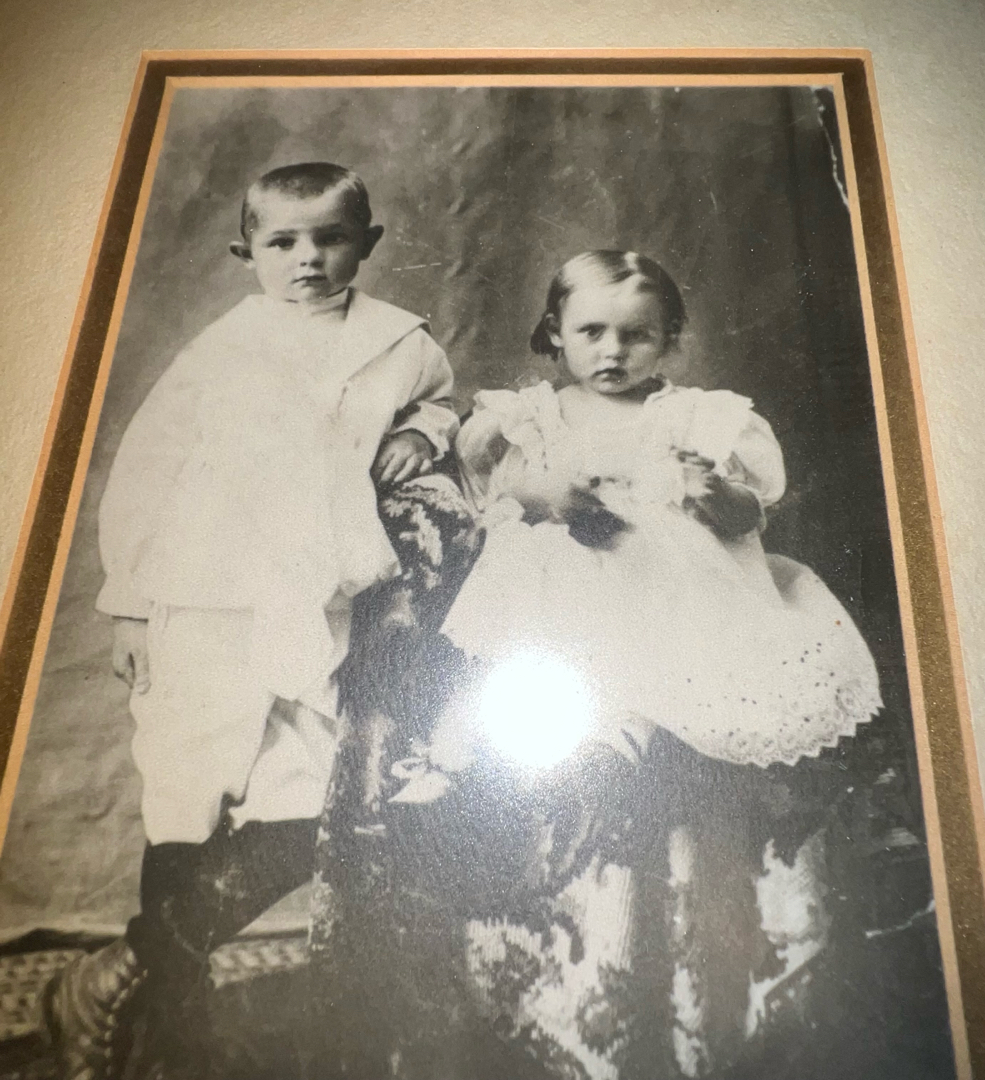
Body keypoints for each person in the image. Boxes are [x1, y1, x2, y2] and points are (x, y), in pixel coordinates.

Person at [389, 250, 882, 1077]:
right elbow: (500, 494)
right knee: (533, 688)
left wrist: (711, 493)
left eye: (637, 336)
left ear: (671, 339)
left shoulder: (697, 418)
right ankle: (476, 772)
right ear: (555, 333)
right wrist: (546, 495)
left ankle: (637, 766)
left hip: (674, 607)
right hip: (561, 606)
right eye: (592, 332)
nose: (613, 351)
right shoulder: (528, 415)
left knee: (670, 704)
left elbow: (747, 511)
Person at [45, 162, 464, 1080]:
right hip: (206, 597)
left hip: (317, 600)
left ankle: (121, 969)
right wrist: (130, 605)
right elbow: (148, 469)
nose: (308, 259)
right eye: (283, 242)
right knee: (189, 791)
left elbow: (439, 405)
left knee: (317, 796)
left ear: (367, 244)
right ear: (247, 253)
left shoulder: (400, 340)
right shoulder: (221, 351)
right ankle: (174, 1033)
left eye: (330, 239)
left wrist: (420, 433)